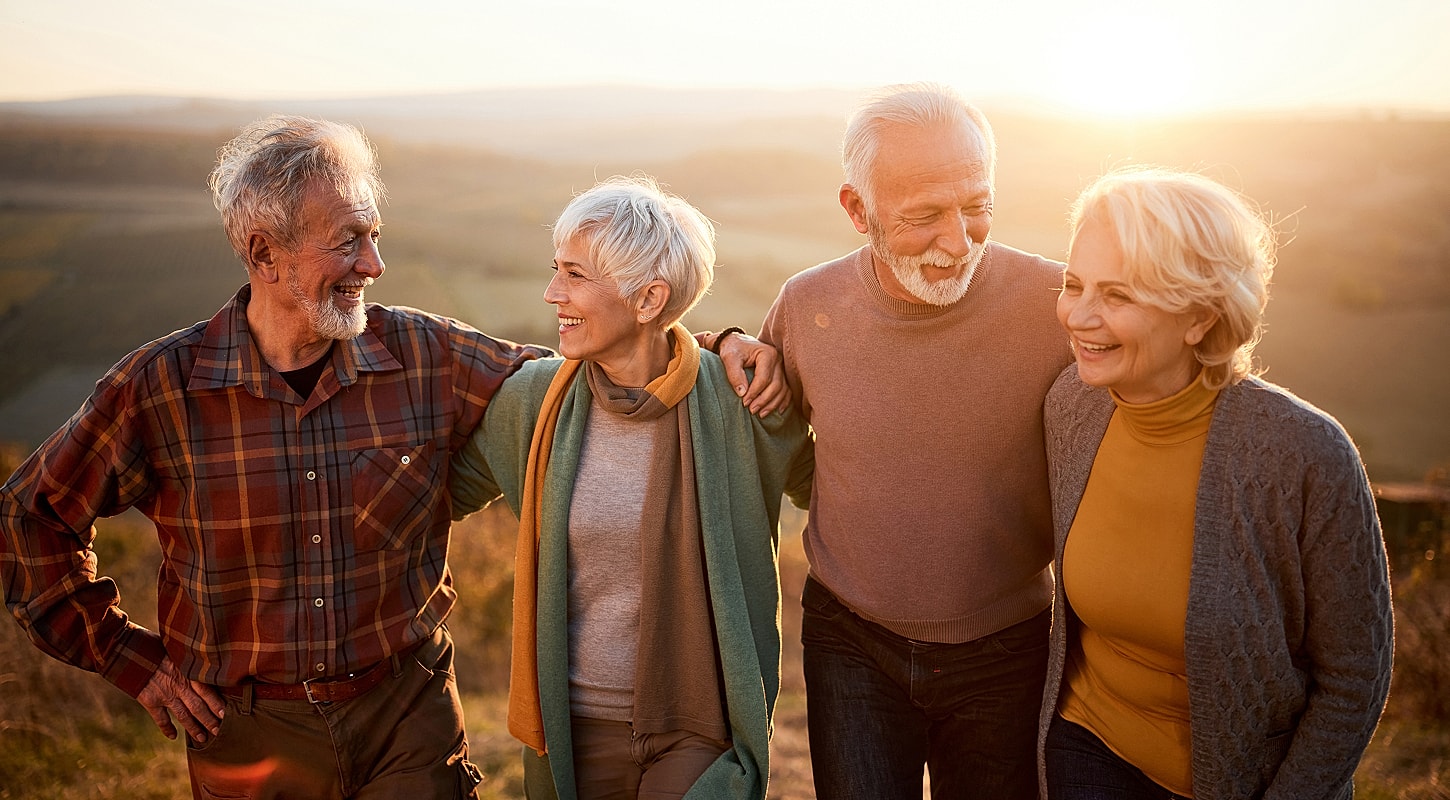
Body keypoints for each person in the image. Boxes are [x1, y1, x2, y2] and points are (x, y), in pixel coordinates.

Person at [0, 116, 785, 800]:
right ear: (263, 252)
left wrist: (718, 350)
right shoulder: (161, 389)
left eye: (375, 234)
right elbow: (29, 520)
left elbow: (603, 366)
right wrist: (133, 662)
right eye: (349, 241)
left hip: (407, 720)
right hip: (247, 738)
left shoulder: (424, 353)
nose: (374, 264)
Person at [448, 175, 814, 800]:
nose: (551, 293)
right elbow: (430, 501)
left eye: (575, 275)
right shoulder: (534, 402)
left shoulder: (741, 400)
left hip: (697, 722)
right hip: (572, 726)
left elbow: (842, 491)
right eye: (554, 269)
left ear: (648, 300)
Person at [757, 82, 1073, 798]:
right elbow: (772, 429)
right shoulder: (806, 307)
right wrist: (720, 339)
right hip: (850, 646)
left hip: (1010, 649)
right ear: (856, 209)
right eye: (924, 215)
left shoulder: (1057, 307)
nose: (957, 242)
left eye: (977, 207)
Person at [1038, 166, 1394, 799]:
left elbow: (1354, 678)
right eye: (1073, 284)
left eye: (1118, 295)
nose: (1080, 315)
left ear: (1199, 317)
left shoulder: (1304, 453)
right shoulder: (1072, 407)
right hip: (1085, 750)